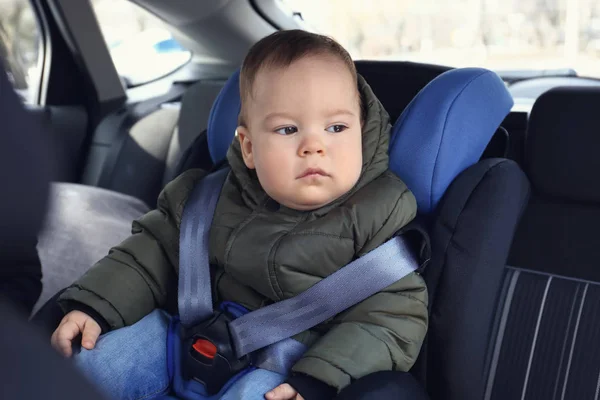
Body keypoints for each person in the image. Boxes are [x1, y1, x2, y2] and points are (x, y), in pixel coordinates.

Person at [51, 30, 429, 400]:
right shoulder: (204, 197)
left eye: (336, 127)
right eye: (287, 129)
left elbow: (390, 319)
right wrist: (95, 307)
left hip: (288, 365)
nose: (314, 146)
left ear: (360, 133)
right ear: (248, 148)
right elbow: (147, 256)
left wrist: (319, 379)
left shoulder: (381, 215)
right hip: (185, 337)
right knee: (94, 363)